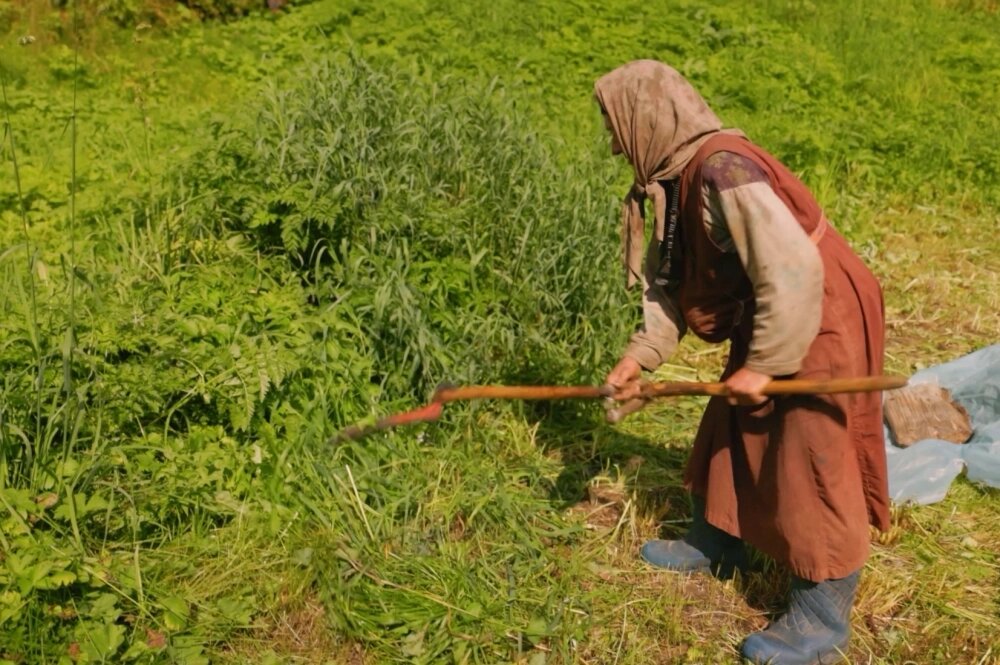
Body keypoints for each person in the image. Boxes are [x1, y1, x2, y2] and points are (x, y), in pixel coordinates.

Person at [595, 60, 890, 665]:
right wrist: (639, 357)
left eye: (614, 123)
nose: (612, 139)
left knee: (812, 451)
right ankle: (720, 540)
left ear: (647, 117)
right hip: (776, 303)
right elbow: (673, 286)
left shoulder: (724, 170)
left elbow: (794, 270)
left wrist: (771, 362)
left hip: (819, 306)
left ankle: (820, 619)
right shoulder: (675, 178)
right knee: (733, 423)